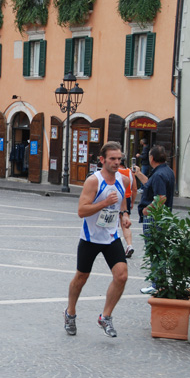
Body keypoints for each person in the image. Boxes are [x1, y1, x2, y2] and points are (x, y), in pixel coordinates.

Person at [64, 141, 131, 338]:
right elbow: (81, 211)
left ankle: (106, 316)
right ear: (102, 160)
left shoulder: (123, 179)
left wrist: (125, 215)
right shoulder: (94, 181)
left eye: (119, 159)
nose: (116, 162)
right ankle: (70, 312)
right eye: (112, 159)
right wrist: (103, 203)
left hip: (111, 236)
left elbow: (122, 202)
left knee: (122, 275)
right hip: (90, 237)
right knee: (81, 278)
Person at [133, 145, 176, 295]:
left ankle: (156, 283)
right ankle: (160, 282)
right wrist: (138, 174)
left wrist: (147, 210)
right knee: (159, 250)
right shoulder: (166, 171)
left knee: (154, 250)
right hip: (163, 217)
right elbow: (150, 185)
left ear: (151, 158)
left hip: (154, 218)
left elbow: (161, 197)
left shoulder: (158, 175)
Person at [118, 155, 137, 258]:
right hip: (127, 197)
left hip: (116, 198)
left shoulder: (114, 172)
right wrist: (132, 202)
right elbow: (134, 188)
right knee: (125, 223)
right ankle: (129, 245)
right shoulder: (130, 172)